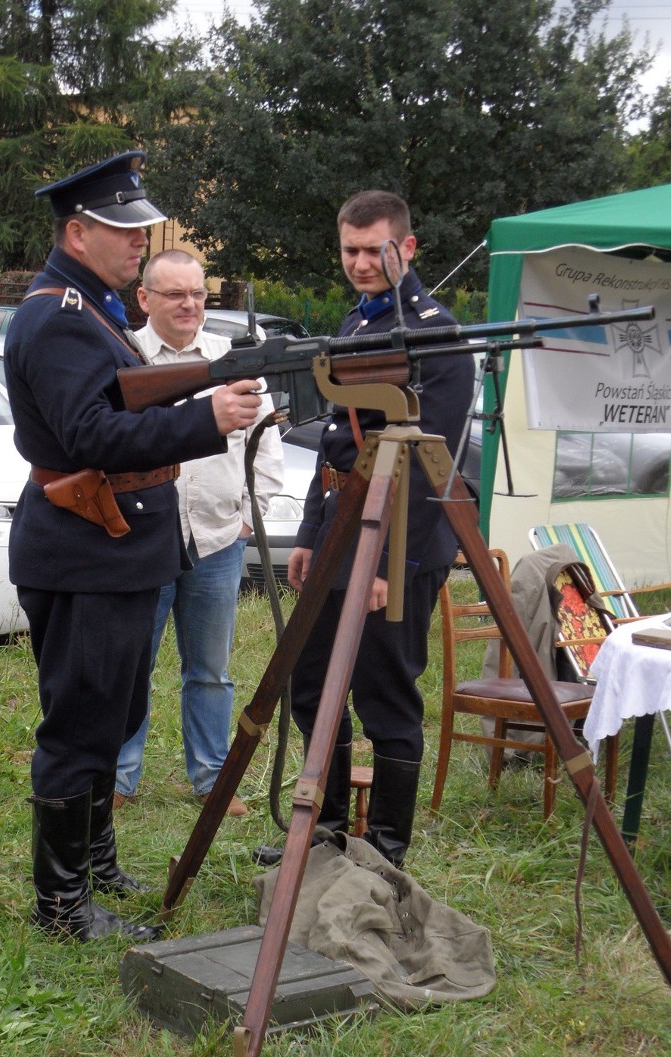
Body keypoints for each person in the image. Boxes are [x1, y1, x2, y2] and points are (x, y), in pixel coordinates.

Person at [4, 152, 262, 941]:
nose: (138, 244)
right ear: (77, 232)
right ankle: (62, 907)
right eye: (123, 231)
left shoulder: (95, 310)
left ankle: (95, 865)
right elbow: (91, 433)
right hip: (84, 553)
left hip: (110, 551)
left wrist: (210, 375)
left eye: (141, 229)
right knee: (78, 728)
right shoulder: (59, 318)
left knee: (112, 715)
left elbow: (121, 395)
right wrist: (206, 418)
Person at [286, 190, 475, 868]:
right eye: (351, 251)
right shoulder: (357, 323)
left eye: (375, 250)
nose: (362, 263)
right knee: (310, 683)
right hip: (342, 528)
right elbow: (338, 448)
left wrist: (385, 567)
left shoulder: (438, 336)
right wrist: (310, 533)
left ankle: (386, 850)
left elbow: (428, 471)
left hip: (400, 542)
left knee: (386, 691)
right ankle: (326, 831)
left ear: (407, 248)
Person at [114, 250, 284, 816]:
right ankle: (118, 778)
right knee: (131, 665)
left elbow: (266, 453)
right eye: (175, 294)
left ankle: (212, 779)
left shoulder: (235, 363)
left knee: (210, 671)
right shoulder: (125, 356)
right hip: (141, 542)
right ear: (145, 298)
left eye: (198, 294)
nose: (190, 305)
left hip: (216, 542)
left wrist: (244, 518)